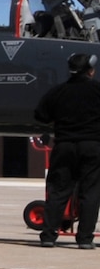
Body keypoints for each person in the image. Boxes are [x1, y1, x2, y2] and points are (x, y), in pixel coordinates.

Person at [34, 53, 100, 247]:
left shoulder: (57, 92)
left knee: (59, 191)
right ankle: (85, 239)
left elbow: (41, 116)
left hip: (64, 146)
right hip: (93, 146)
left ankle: (48, 236)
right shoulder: (98, 90)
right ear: (91, 70)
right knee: (90, 192)